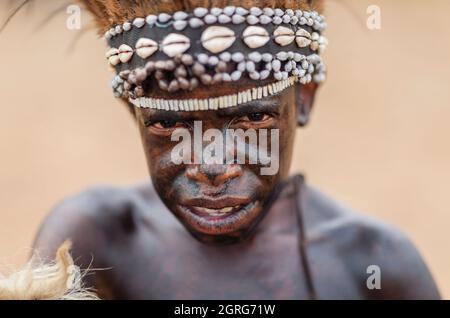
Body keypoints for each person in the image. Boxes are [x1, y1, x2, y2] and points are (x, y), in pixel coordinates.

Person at [32, 0, 440, 299]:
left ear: (303, 100)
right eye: (170, 125)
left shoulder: (376, 265)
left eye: (252, 123)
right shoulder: (94, 244)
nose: (213, 168)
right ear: (132, 112)